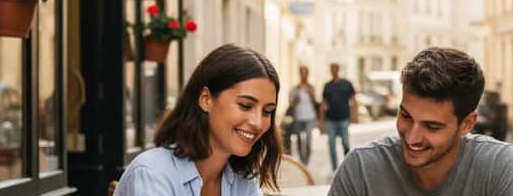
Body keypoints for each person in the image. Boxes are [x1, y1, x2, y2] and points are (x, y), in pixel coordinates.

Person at [328, 47, 513, 196]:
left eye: (431, 126)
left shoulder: (498, 166)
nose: (412, 137)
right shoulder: (361, 168)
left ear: (467, 124)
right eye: (406, 116)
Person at [113, 44, 282, 196]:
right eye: (245, 105)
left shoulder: (244, 183)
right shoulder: (152, 173)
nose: (258, 122)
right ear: (206, 99)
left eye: (267, 111)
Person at [319, 63, 356, 172]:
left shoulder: (347, 84)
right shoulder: (327, 85)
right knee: (331, 144)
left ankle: (347, 166)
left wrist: (354, 115)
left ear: (338, 69)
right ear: (330, 70)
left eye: (335, 69)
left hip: (344, 118)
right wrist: (321, 121)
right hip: (330, 120)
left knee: (345, 142)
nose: (333, 71)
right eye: (332, 69)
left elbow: (354, 100)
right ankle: (335, 168)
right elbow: (323, 103)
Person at [289, 66, 318, 165]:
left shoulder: (311, 87)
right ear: (299, 74)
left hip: (310, 117)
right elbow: (291, 103)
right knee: (299, 142)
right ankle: (302, 161)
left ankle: (306, 162)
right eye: (302, 73)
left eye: (305, 73)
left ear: (308, 74)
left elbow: (315, 102)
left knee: (308, 141)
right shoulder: (295, 88)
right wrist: (295, 100)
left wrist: (310, 94)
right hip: (298, 118)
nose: (303, 75)